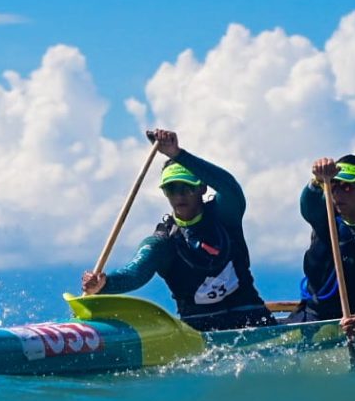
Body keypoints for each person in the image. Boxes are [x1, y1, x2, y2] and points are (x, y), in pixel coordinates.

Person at [80, 129, 275, 331]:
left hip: (253, 321)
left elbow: (230, 187)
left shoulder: (225, 215)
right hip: (201, 335)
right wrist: (104, 284)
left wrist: (177, 154)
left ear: (202, 188)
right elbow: (135, 273)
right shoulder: (162, 242)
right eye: (171, 189)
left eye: (186, 187)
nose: (179, 195)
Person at [290, 155, 355, 337]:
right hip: (313, 314)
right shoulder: (326, 217)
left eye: (347, 187)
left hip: (352, 319)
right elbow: (308, 206)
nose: (338, 194)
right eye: (333, 187)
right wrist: (317, 181)